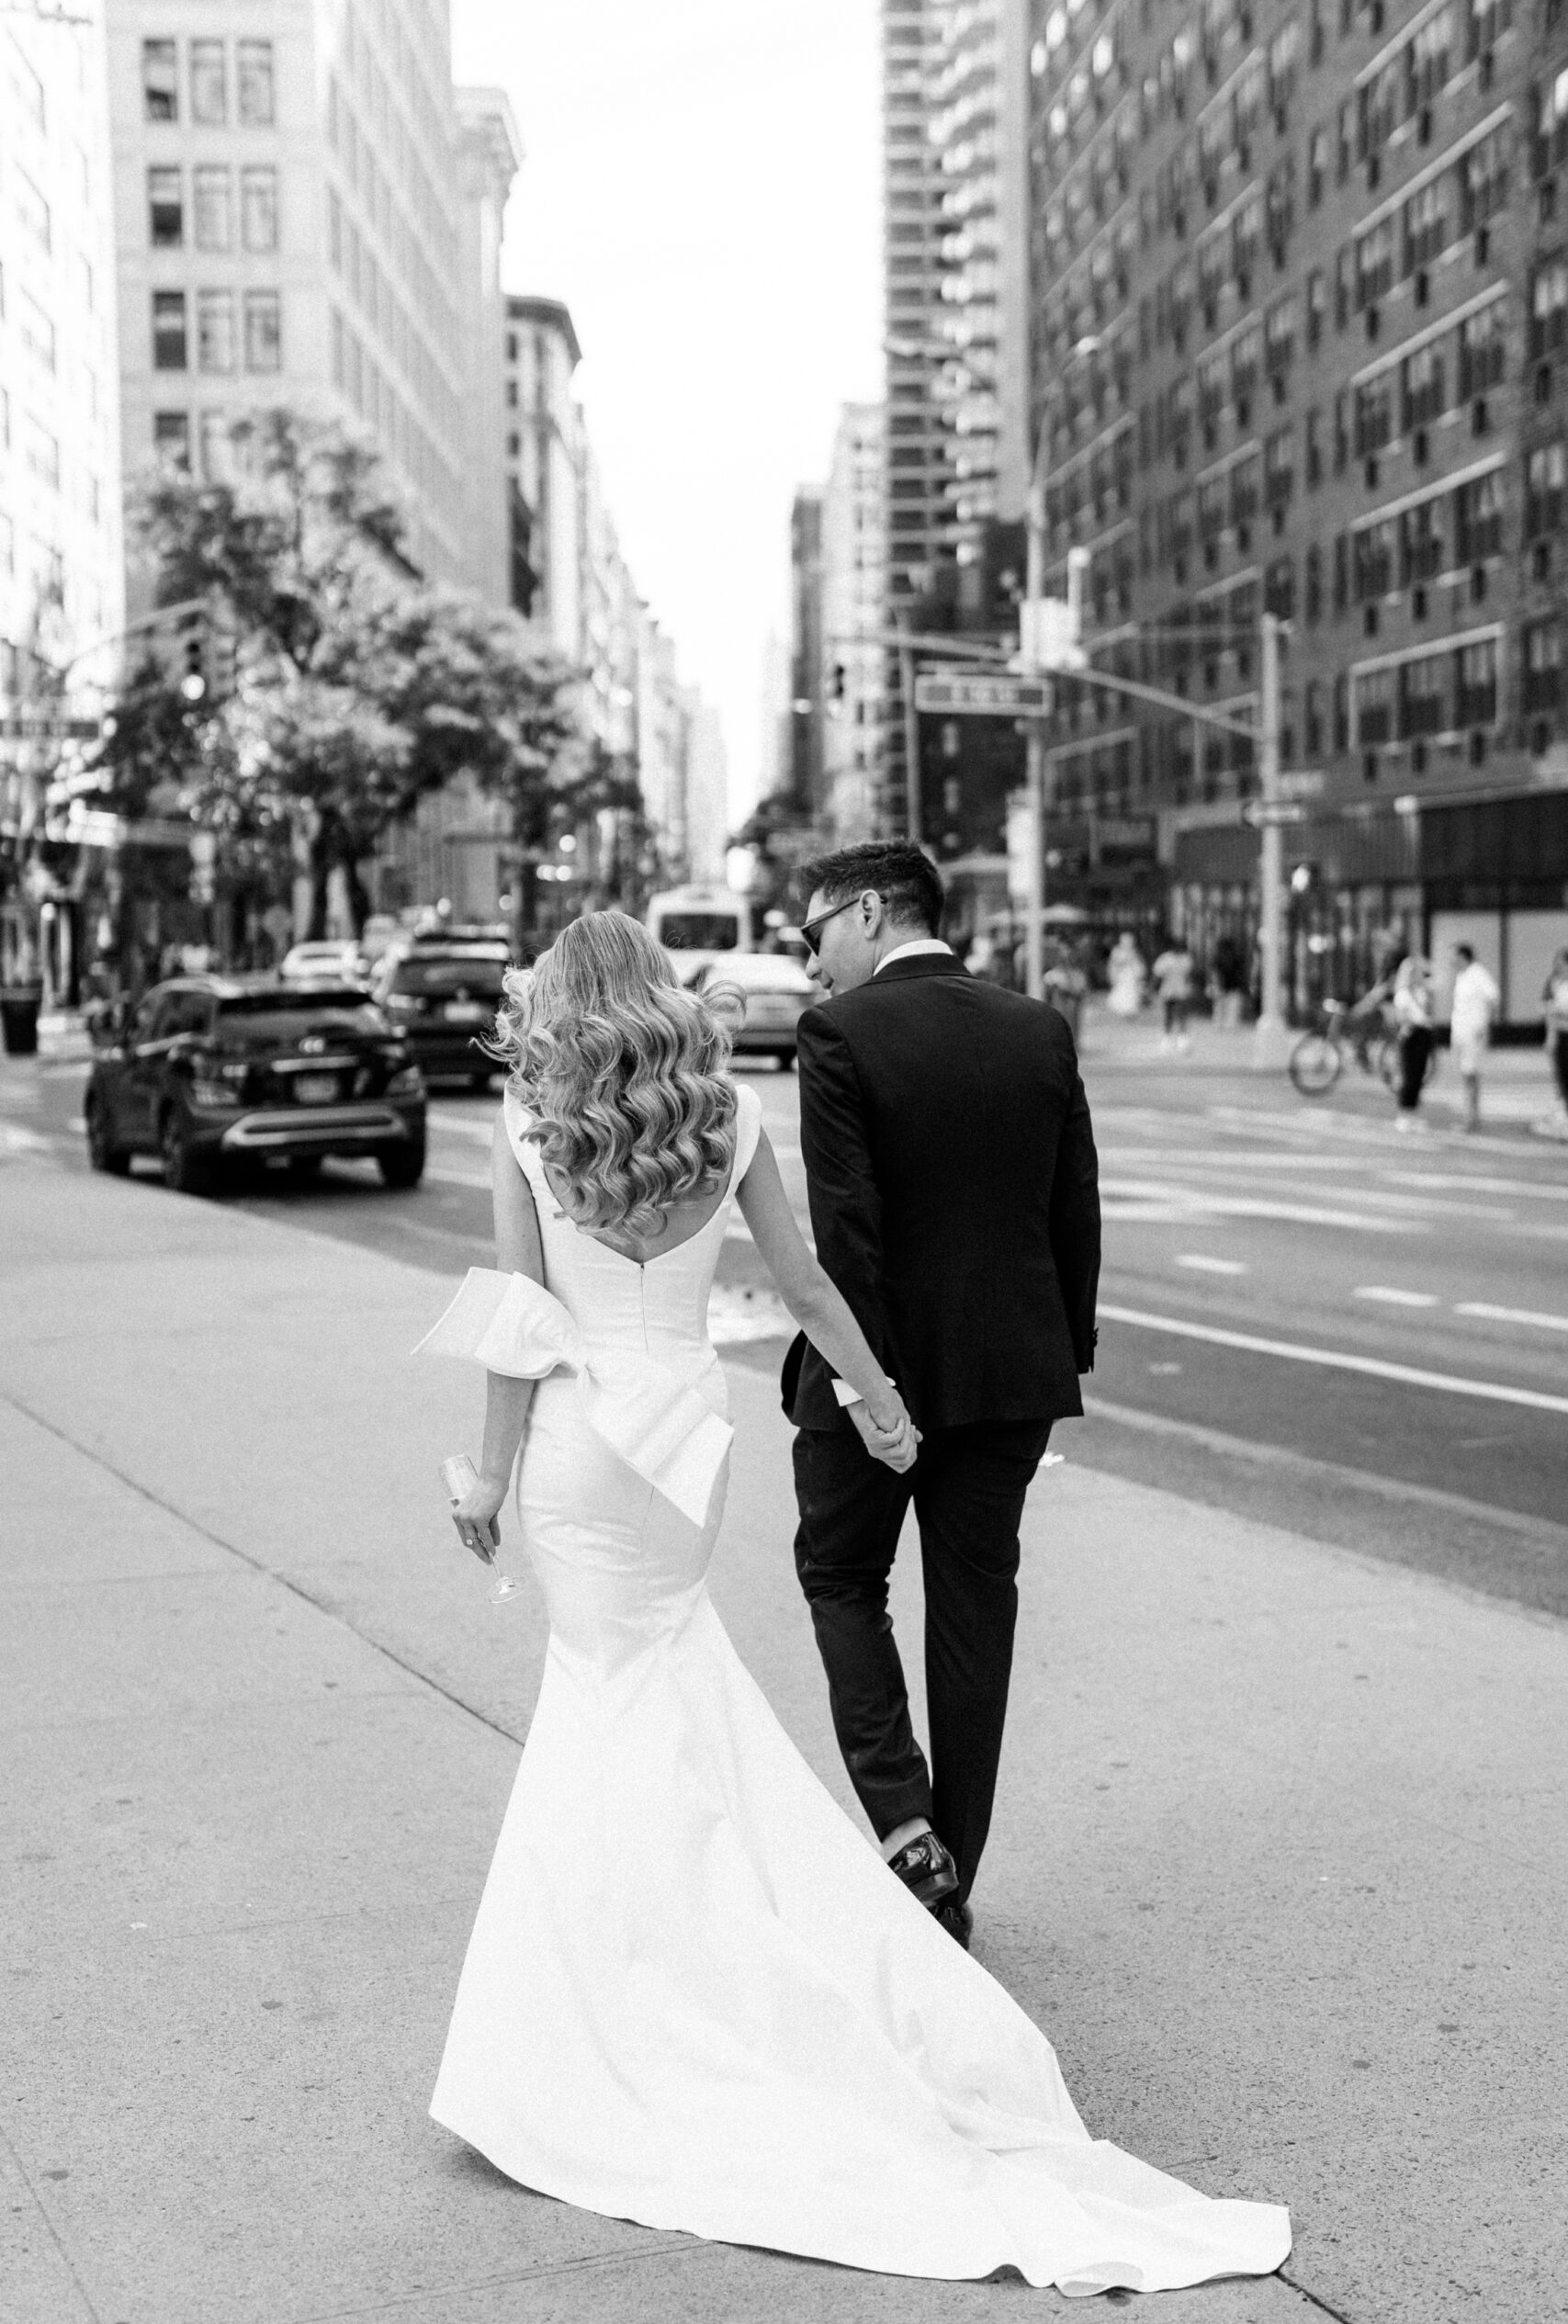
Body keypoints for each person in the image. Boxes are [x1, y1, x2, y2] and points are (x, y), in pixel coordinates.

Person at [420, 908, 1290, 2296]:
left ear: (552, 1003)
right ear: (656, 995)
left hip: (584, 1453)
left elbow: (523, 1334)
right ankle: (671, 1978)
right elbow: (810, 1285)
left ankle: (603, 2024)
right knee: (653, 1686)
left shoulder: (527, 1128)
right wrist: (879, 1406)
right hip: (686, 1444)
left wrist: (484, 1476)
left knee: (600, 1698)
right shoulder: (725, 1122)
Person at [786, 842, 1098, 1941]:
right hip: (1011, 1380)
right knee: (976, 1620)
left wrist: (873, 1397)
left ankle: (904, 1826)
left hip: (882, 1382)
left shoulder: (838, 1036)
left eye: (814, 930)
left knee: (838, 1574)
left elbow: (847, 1234)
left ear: (870, 911)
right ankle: (949, 1876)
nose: (810, 958)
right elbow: (1074, 1213)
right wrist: (1062, 1355)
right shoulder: (1038, 1029)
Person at [1448, 942, 1500, 1133]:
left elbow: (1493, 997)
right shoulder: (1462, 976)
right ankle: (1471, 1117)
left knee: (1471, 1075)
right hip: (1461, 1033)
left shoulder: (1478, 974)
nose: (1451, 960)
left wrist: (1484, 1025)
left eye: (1453, 956)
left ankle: (1471, 1119)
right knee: (1466, 1075)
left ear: (1462, 956)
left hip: (1473, 1033)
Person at [1391, 948, 1436, 1131]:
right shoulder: (1403, 994)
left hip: (1424, 1033)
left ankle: (1413, 1114)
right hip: (1411, 1035)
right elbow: (1401, 1017)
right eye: (1412, 973)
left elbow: (1428, 1011)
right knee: (1409, 1076)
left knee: (1419, 1076)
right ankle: (1404, 1115)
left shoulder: (1421, 992)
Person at [1541, 947, 1568, 1138]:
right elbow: (1547, 1008)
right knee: (1562, 1077)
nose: (1559, 968)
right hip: (1561, 1035)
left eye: (1563, 964)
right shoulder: (1555, 983)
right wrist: (1550, 1036)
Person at [1152, 936, 1194, 1051]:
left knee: (1171, 1016)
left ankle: (1172, 1040)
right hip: (1177, 991)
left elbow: (1157, 975)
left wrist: (1153, 988)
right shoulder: (1185, 959)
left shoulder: (1165, 959)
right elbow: (1189, 976)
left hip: (1171, 991)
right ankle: (1177, 1040)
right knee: (1176, 1016)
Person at [1106, 928, 1145, 1018]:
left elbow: (1138, 964)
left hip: (1130, 975)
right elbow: (1113, 964)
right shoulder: (1116, 951)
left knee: (1130, 992)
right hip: (1121, 975)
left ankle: (1130, 1009)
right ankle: (1121, 1008)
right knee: (1121, 990)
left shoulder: (1134, 951)